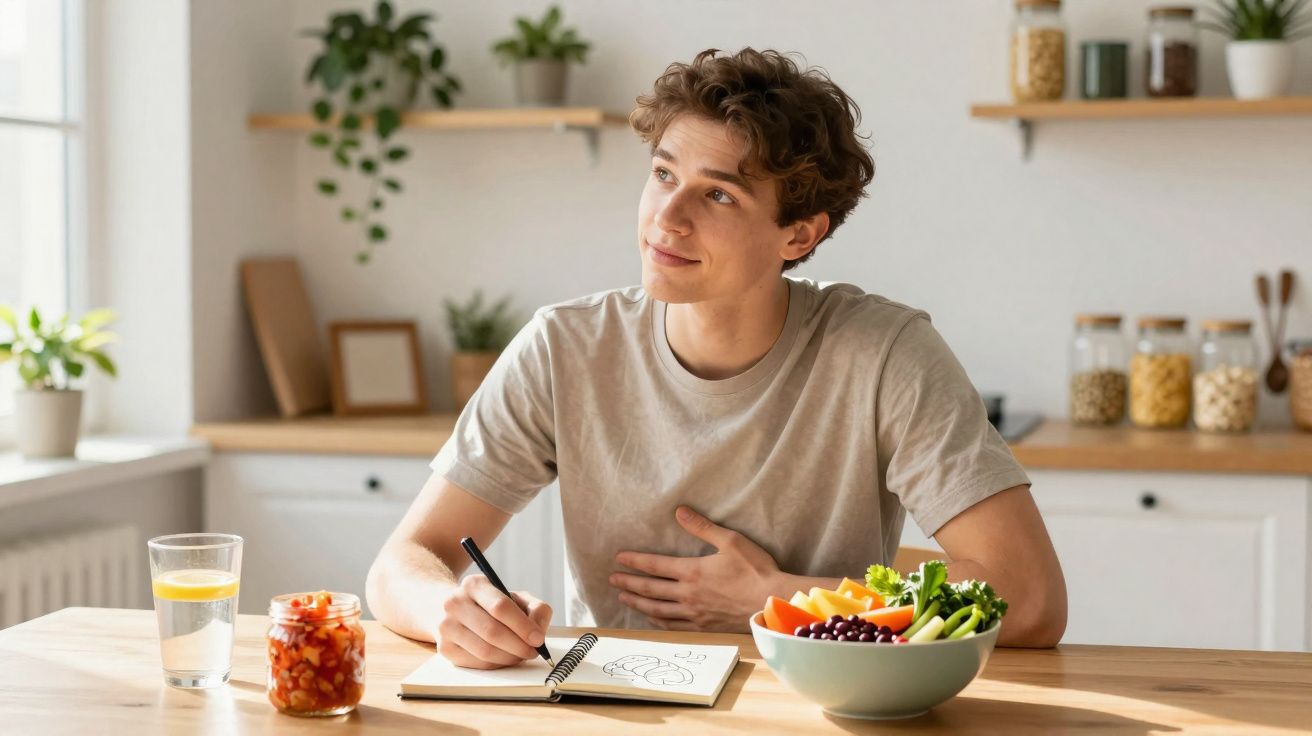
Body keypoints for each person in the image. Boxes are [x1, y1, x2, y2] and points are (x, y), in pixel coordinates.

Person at [367, 48, 1066, 670]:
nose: (666, 219)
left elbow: (1031, 601)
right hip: (614, 711)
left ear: (799, 234)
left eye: (718, 195)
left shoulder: (885, 355)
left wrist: (779, 598)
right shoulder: (564, 348)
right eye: (663, 174)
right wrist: (448, 612)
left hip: (822, 708)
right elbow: (403, 562)